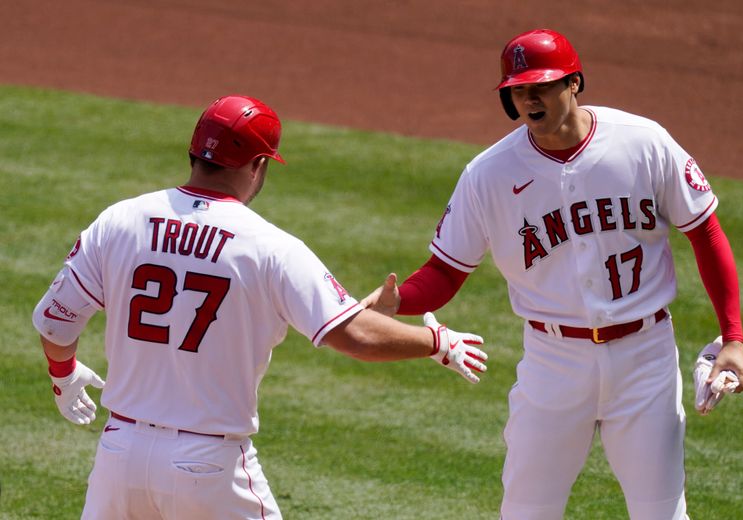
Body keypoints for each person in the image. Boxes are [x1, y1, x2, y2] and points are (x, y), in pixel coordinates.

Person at [32, 94, 488, 520]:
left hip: (119, 456)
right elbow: (355, 336)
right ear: (258, 164)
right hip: (208, 469)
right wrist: (437, 342)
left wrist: (64, 374)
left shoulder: (120, 220)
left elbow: (55, 323)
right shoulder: (271, 247)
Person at [361, 29, 743, 520]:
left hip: (644, 358)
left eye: (541, 86)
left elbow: (706, 231)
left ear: (574, 83)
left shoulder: (643, 142)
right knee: (526, 513)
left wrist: (733, 336)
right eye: (519, 90)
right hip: (553, 361)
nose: (530, 98)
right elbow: (445, 270)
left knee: (662, 514)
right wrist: (400, 301)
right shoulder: (489, 174)